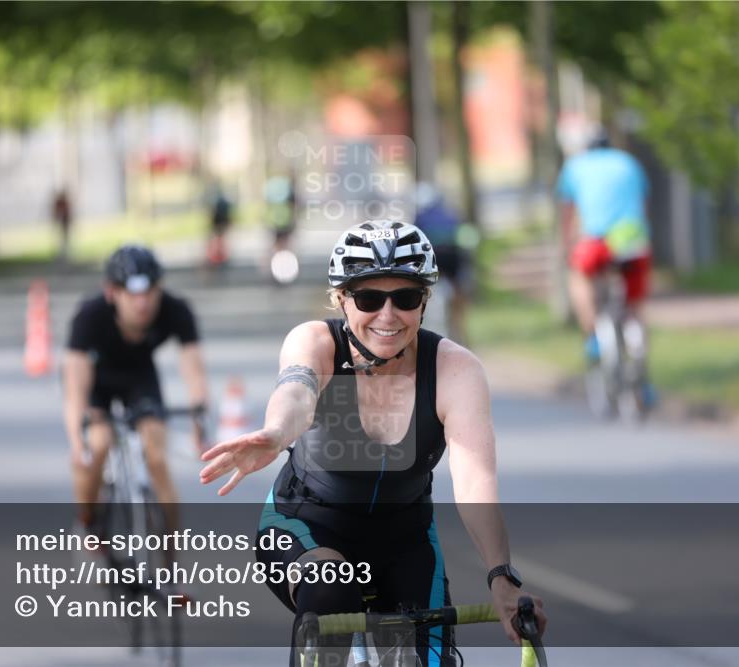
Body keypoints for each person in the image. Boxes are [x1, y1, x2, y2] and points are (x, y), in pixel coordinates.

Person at [199, 220, 546, 666]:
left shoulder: (454, 370)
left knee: (431, 657)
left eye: (404, 298)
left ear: (424, 302)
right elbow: (296, 394)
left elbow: (476, 482)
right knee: (331, 591)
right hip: (308, 528)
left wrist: (502, 578)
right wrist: (276, 434)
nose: (387, 315)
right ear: (341, 299)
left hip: (405, 539)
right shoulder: (316, 342)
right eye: (368, 298)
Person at [63, 245, 209, 534]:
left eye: (149, 293)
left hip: (140, 376)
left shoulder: (175, 310)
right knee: (97, 446)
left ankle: (169, 564)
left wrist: (199, 421)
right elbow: (74, 386)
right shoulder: (90, 316)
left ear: (159, 288)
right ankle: (89, 520)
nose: (142, 304)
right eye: (132, 295)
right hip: (97, 379)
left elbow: (194, 369)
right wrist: (77, 441)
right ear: (112, 292)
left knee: (157, 457)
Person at [556, 127, 654, 399]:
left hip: (596, 242)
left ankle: (594, 337)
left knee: (578, 276)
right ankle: (643, 378)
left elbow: (568, 214)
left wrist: (568, 247)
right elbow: (643, 206)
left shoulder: (575, 167)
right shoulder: (629, 163)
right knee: (635, 308)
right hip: (633, 240)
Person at [414, 182, 474, 345]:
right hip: (455, 259)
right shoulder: (451, 214)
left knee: (430, 299)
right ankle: (462, 338)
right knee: (457, 304)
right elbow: (466, 239)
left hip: (435, 262)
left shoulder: (419, 217)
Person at [52, 189, 73, 262]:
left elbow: (66, 213)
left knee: (65, 238)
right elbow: (57, 212)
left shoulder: (64, 202)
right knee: (61, 239)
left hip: (64, 222)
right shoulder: (60, 202)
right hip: (62, 222)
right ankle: (62, 253)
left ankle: (65, 253)